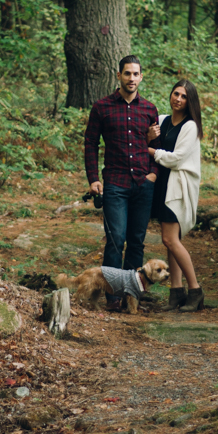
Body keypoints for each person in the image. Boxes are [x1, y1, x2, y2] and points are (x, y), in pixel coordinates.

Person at [84, 55, 160, 309]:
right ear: (118, 76)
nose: (131, 78)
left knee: (136, 240)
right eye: (127, 73)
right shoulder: (102, 107)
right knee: (116, 238)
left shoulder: (149, 109)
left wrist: (153, 175)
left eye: (135, 74)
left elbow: (155, 147)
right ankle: (113, 297)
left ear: (141, 76)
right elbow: (90, 144)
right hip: (115, 183)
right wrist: (93, 178)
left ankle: (132, 297)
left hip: (142, 183)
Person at [148, 80, 204, 312]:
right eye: (175, 94)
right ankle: (176, 292)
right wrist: (149, 138)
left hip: (178, 187)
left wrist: (152, 151)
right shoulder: (162, 120)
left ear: (190, 102)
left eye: (184, 96)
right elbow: (147, 139)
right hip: (163, 184)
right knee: (171, 242)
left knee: (170, 240)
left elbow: (177, 158)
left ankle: (195, 291)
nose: (178, 99)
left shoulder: (191, 126)